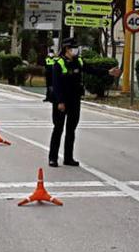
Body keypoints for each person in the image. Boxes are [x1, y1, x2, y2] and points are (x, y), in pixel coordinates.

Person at [48, 38, 122, 167]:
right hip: (61, 102)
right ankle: (53, 158)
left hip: (75, 100)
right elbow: (56, 85)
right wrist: (60, 102)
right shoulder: (58, 63)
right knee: (58, 129)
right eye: (73, 48)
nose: (76, 50)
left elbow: (91, 70)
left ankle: (68, 158)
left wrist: (108, 72)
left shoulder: (79, 61)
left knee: (71, 130)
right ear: (67, 49)